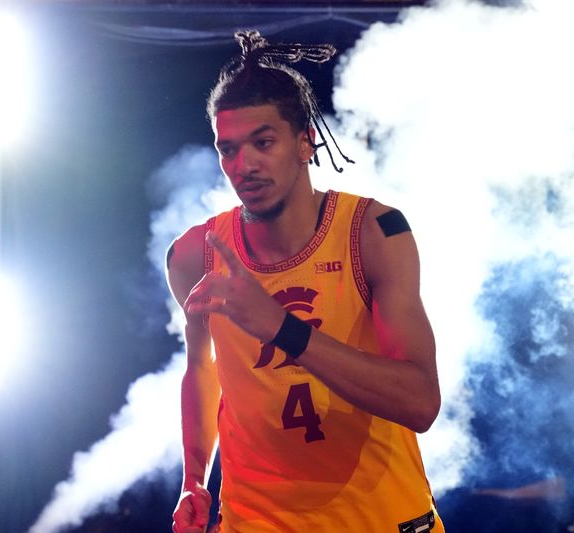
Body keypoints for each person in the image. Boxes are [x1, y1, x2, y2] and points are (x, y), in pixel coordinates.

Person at [166, 30, 444, 533]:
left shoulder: (375, 232)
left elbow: (420, 402)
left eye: (263, 142)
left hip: (382, 519)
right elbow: (203, 370)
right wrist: (193, 478)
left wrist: (280, 327)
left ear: (305, 142)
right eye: (228, 149)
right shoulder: (193, 255)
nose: (243, 165)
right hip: (257, 521)